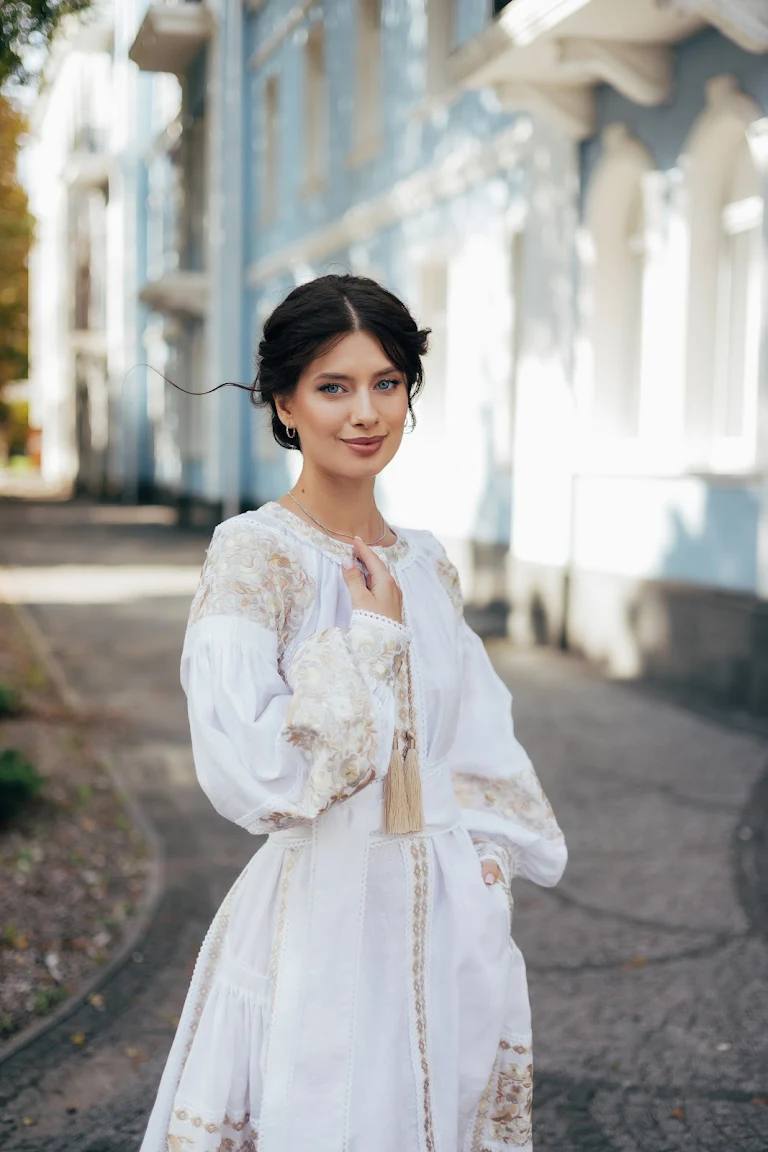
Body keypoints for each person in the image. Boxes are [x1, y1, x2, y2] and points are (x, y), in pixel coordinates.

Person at [138, 273, 567, 1152]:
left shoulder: (429, 563)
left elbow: (476, 734)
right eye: (333, 386)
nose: (366, 412)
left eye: (387, 383)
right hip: (321, 919)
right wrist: (371, 640)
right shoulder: (254, 554)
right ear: (284, 403)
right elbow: (254, 768)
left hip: (450, 920)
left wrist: (487, 865)